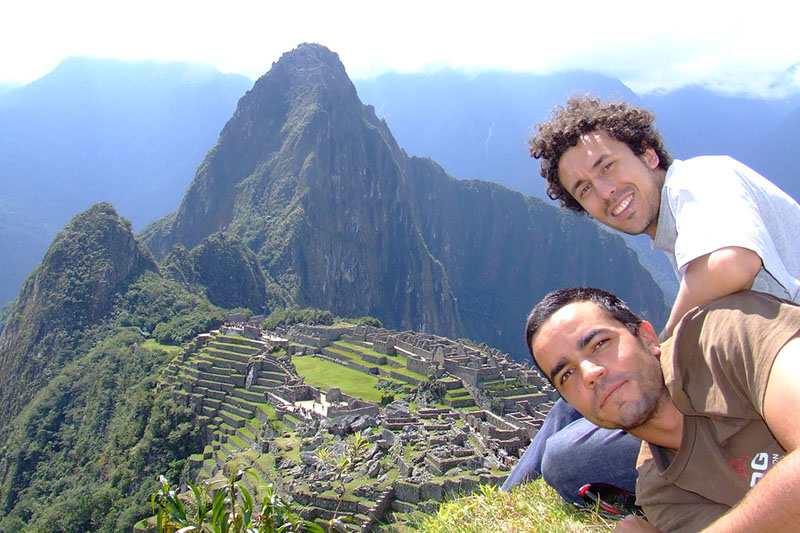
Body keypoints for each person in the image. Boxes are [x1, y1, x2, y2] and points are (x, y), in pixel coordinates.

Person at [502, 96, 800, 502]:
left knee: (567, 460)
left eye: (607, 166)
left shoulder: (704, 179)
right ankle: (510, 494)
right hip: (737, 379)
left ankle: (520, 492)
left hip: (770, 382)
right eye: (585, 189)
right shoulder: (676, 227)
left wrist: (663, 342)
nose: (605, 192)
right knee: (569, 404)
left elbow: (733, 263)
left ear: (648, 153)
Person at [527, 287, 800, 532]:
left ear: (647, 337)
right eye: (567, 374)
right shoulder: (661, 492)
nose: (590, 373)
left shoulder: (731, 333)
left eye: (600, 344)